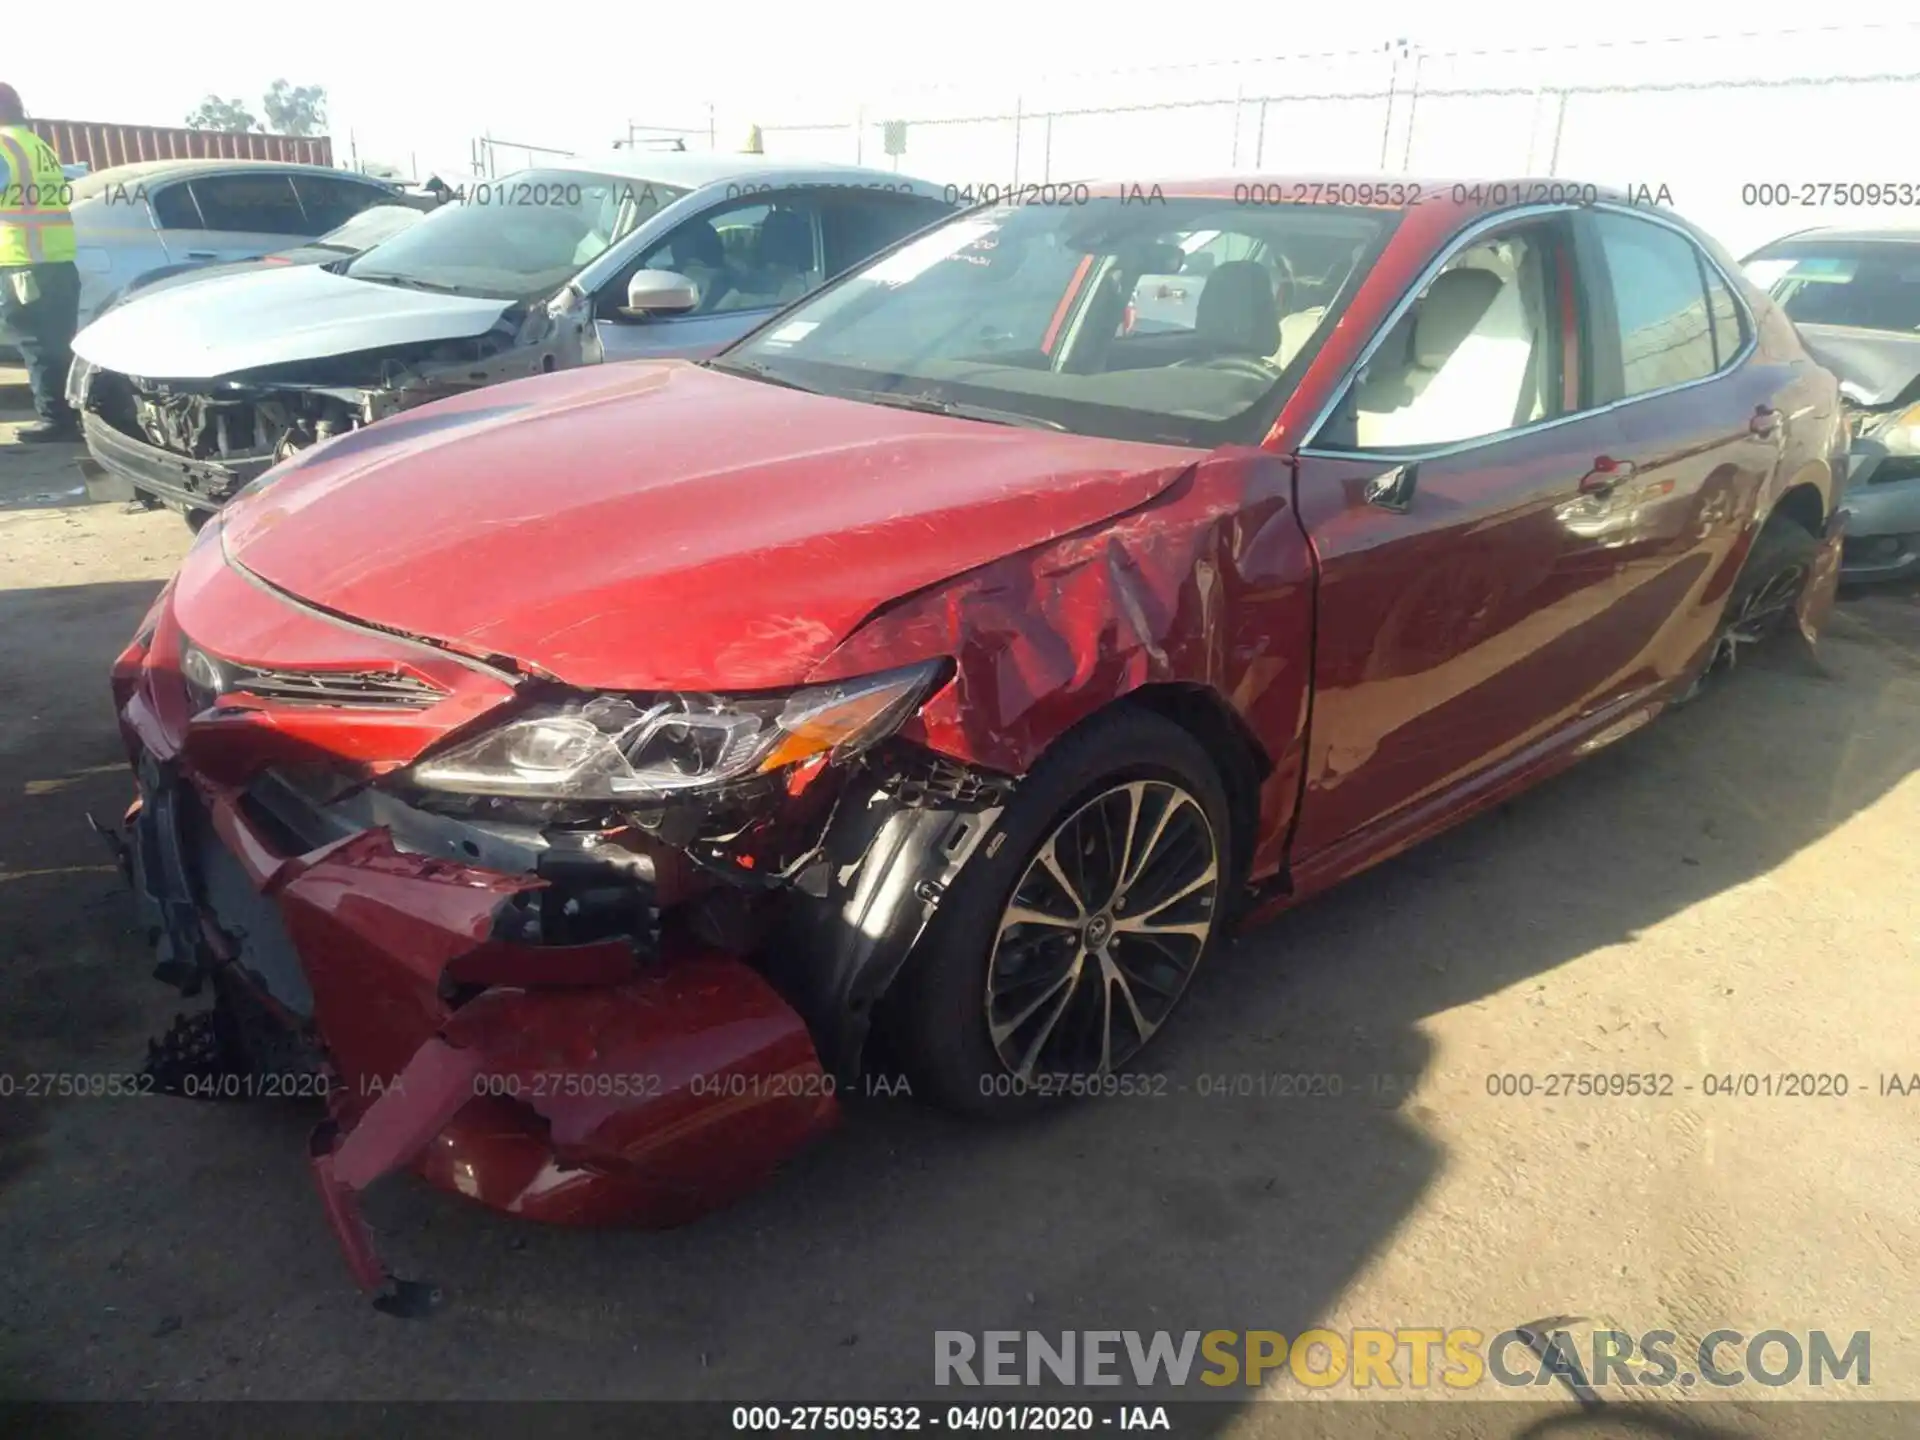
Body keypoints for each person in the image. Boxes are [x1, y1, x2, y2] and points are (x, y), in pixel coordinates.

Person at [0, 82, 81, 442]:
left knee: (35, 343)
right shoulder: (36, 145)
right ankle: (69, 416)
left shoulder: (3, 146)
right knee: (57, 342)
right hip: (56, 259)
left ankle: (56, 420)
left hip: (23, 262)